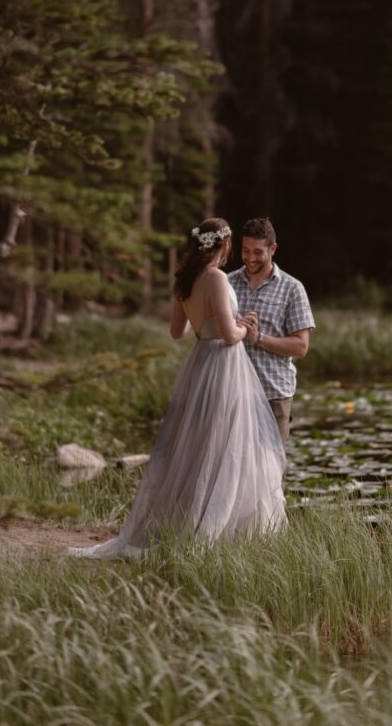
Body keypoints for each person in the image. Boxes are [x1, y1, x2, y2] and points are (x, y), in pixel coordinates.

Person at [69, 217, 286, 559]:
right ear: (224, 244)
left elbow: (176, 331)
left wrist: (204, 322)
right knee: (225, 443)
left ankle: (189, 518)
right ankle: (214, 524)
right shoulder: (215, 277)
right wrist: (246, 328)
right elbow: (230, 336)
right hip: (224, 364)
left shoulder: (185, 278)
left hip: (200, 361)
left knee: (199, 444)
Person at [229, 217, 315, 444]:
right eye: (245, 250)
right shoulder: (226, 284)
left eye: (257, 252)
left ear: (273, 248)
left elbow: (301, 347)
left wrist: (259, 338)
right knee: (235, 473)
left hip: (273, 395)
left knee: (273, 472)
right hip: (233, 394)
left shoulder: (292, 288)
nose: (249, 258)